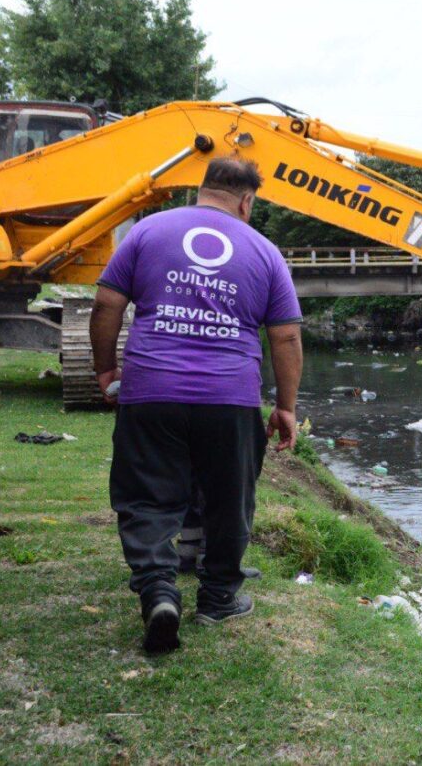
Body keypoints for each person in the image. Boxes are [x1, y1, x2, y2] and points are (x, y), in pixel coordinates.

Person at [89, 157, 303, 654]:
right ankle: (219, 597)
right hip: (229, 399)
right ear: (247, 201)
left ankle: (159, 590)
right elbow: (286, 336)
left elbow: (105, 305)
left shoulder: (146, 233)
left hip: (151, 392)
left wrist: (105, 370)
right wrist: (285, 406)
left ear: (201, 189)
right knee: (230, 497)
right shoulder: (266, 251)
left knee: (146, 496)